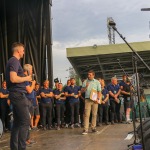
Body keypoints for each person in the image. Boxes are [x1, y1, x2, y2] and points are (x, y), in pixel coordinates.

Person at [5, 42, 32, 150]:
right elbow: (13, 78)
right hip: (18, 95)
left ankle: (14, 148)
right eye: (23, 51)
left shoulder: (13, 61)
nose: (24, 53)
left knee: (17, 123)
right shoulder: (14, 61)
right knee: (25, 122)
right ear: (18, 51)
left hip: (16, 95)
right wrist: (26, 78)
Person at [81, 70, 102, 135]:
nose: (88, 76)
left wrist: (98, 98)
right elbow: (82, 91)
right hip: (88, 100)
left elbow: (99, 91)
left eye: (90, 75)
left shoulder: (97, 82)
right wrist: (86, 87)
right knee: (87, 114)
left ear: (93, 75)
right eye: (88, 74)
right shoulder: (85, 81)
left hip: (95, 100)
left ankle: (93, 128)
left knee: (94, 114)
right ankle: (85, 129)